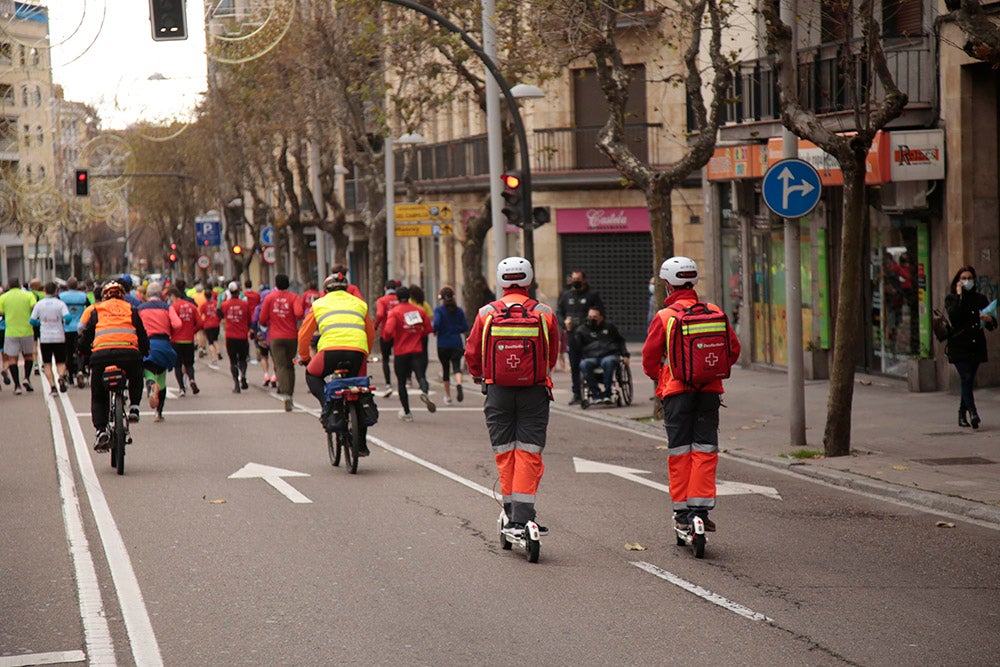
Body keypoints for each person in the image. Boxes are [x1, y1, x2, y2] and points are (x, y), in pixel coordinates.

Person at [642, 257, 740, 533]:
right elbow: (733, 350)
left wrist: (659, 377)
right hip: (709, 390)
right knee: (705, 450)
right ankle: (701, 508)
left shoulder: (665, 317)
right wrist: (708, 370)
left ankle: (683, 512)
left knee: (680, 452)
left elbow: (649, 359)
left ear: (668, 284)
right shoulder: (714, 311)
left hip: (676, 393)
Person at [465, 257, 558, 535]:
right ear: (529, 279)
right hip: (535, 389)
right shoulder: (545, 313)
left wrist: (478, 375)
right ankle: (524, 514)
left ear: (500, 281)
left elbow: (472, 352)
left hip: (498, 391)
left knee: (505, 453)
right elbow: (552, 352)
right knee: (529, 453)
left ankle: (510, 514)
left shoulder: (486, 313)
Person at [297, 270, 376, 452]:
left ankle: (328, 405)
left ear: (325, 290)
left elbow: (304, 334)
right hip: (358, 352)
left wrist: (305, 357)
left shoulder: (319, 304)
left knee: (312, 374)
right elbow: (370, 333)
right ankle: (361, 444)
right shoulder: (359, 304)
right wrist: (365, 353)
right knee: (360, 390)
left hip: (330, 352)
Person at [78, 280, 149, 450]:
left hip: (101, 355)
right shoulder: (131, 310)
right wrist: (144, 351)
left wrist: (82, 350)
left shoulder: (97, 310)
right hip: (128, 354)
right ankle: (134, 407)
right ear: (123, 295)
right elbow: (141, 334)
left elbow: (86, 336)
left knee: (98, 395)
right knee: (136, 376)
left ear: (104, 296)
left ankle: (101, 430)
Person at [944, 266, 997, 429]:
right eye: (963, 278)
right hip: (959, 345)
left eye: (969, 278)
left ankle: (961, 414)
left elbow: (992, 325)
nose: (967, 281)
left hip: (975, 345)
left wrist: (989, 320)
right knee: (966, 377)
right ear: (958, 281)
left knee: (968, 381)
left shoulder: (980, 299)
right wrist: (959, 295)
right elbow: (954, 316)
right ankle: (973, 413)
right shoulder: (952, 298)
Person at [383, 285, 435, 421]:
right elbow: (428, 328)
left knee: (401, 382)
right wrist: (417, 334)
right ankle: (424, 391)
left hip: (401, 352)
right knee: (421, 376)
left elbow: (388, 332)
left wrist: (390, 338)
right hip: (417, 350)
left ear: (397, 298)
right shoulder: (419, 311)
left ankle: (407, 412)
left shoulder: (394, 312)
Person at [557, 269, 604, 405]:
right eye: (574, 279)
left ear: (584, 280)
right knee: (574, 365)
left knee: (591, 363)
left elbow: (601, 313)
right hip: (573, 337)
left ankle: (595, 389)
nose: (575, 281)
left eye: (578, 279)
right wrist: (565, 323)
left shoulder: (592, 295)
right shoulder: (566, 295)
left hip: (589, 338)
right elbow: (559, 312)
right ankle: (576, 393)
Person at [137, 282, 181, 422]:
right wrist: (170, 332)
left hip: (147, 344)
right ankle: (158, 413)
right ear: (161, 294)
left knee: (147, 368)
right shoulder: (167, 308)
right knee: (161, 377)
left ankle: (150, 385)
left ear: (148, 294)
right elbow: (178, 324)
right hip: (163, 344)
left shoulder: (140, 309)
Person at [259, 273, 303, 411]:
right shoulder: (294, 297)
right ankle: (291, 393)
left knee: (280, 365)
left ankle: (286, 396)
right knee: (290, 366)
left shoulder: (269, 298)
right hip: (291, 336)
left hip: (275, 337)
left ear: (276, 284)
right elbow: (299, 313)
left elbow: (262, 318)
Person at [575, 307, 629, 404]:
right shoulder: (582, 330)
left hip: (608, 354)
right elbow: (578, 347)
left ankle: (608, 392)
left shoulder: (609, 327)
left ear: (601, 317)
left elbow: (620, 341)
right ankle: (596, 393)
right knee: (584, 364)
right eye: (590, 316)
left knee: (608, 362)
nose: (592, 319)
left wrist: (625, 355)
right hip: (591, 357)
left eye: (595, 317)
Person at [29, 281, 70, 394]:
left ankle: (52, 387)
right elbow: (68, 318)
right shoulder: (60, 304)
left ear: (45, 291)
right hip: (59, 336)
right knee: (60, 362)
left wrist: (41, 323)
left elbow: (32, 320)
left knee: (47, 363)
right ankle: (61, 376)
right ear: (56, 291)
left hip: (45, 337)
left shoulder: (40, 304)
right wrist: (62, 322)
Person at [0, 277, 37, 394]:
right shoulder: (28, 295)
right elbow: (33, 307)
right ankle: (26, 377)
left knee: (12, 359)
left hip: (11, 331)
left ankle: (17, 386)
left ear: (9, 286)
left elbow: (1, 312)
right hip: (27, 330)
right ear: (20, 285)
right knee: (28, 356)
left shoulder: (3, 298)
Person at [432, 285, 469, 404]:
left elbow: (436, 323)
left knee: (445, 369)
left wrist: (435, 331)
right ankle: (459, 383)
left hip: (443, 343)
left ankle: (448, 396)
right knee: (457, 367)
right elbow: (465, 327)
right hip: (456, 342)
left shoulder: (439, 310)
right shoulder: (459, 311)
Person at [219, 281, 253, 394]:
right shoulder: (245, 304)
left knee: (233, 361)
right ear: (238, 291)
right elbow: (250, 320)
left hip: (230, 336)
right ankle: (243, 374)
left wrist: (223, 299)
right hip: (242, 336)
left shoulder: (225, 304)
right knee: (243, 359)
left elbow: (219, 313)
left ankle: (236, 385)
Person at [168, 287, 202, 396]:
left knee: (177, 365)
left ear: (173, 296)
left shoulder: (173, 307)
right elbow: (200, 323)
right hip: (189, 340)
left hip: (176, 340)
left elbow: (169, 324)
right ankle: (192, 379)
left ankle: (182, 388)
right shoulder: (192, 307)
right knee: (189, 364)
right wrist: (192, 331)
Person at [60, 277, 89, 386]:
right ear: (77, 286)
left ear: (67, 286)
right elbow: (89, 308)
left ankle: (70, 376)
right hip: (79, 328)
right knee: (80, 351)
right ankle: (80, 371)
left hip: (66, 328)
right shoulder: (83, 296)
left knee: (68, 352)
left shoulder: (62, 296)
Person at [373, 280, 400, 397]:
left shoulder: (382, 301)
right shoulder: (400, 299)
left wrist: (375, 326)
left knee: (385, 359)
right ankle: (403, 380)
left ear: (385, 288)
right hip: (399, 333)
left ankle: (388, 383)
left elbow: (379, 314)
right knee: (400, 358)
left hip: (386, 333)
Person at [198, 293, 223, 369]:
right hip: (216, 324)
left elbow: (200, 314)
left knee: (210, 342)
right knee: (215, 339)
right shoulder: (216, 303)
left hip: (208, 325)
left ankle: (214, 360)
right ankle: (218, 351)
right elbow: (220, 312)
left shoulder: (204, 305)